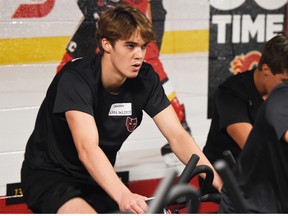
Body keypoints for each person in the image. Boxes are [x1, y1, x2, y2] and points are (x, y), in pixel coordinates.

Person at [21, 4, 222, 214]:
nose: (139, 55)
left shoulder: (146, 78)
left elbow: (177, 135)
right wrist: (123, 194)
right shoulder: (76, 79)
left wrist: (219, 182)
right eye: (130, 46)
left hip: (95, 179)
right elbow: (87, 149)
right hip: (50, 175)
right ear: (107, 44)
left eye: (143, 46)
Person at [56, 0, 192, 167]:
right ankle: (80, 122)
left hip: (136, 12)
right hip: (106, 12)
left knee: (148, 63)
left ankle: (180, 122)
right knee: (65, 66)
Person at [219, 33, 288, 213]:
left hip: (271, 184)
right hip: (239, 185)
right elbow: (252, 143)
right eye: (284, 82)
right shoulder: (231, 92)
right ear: (266, 69)